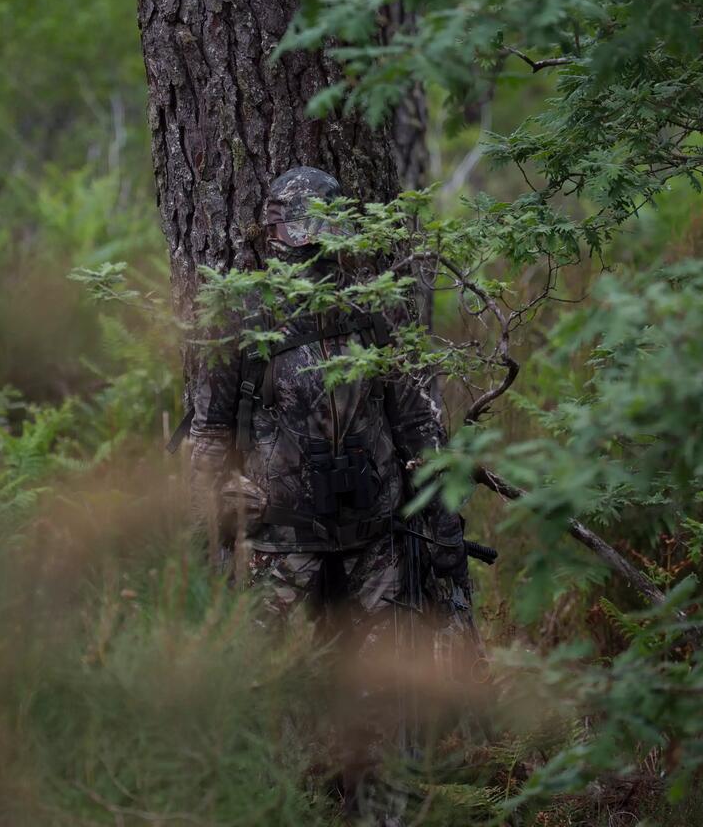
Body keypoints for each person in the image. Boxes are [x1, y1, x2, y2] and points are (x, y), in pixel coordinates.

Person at [186, 168, 485, 818]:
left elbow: (417, 425)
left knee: (377, 707)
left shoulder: (374, 309)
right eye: (292, 230)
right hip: (278, 541)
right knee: (279, 699)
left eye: (310, 232)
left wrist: (439, 525)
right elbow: (208, 427)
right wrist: (211, 504)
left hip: (375, 540)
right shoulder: (240, 313)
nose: (302, 245)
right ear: (270, 232)